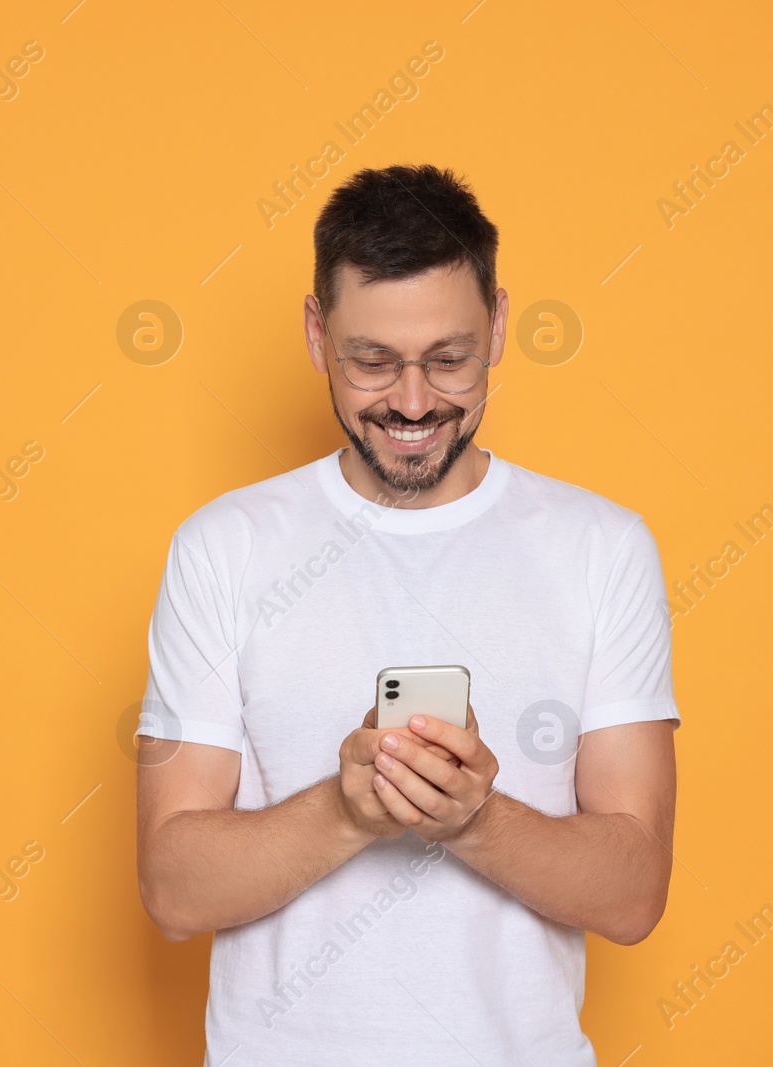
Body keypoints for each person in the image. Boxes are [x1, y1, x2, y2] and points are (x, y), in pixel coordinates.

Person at [135, 163, 680, 1066]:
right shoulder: (223, 548)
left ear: (499, 325)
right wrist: (352, 811)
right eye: (373, 361)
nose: (416, 402)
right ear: (318, 333)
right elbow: (172, 887)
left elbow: (633, 893)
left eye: (450, 358)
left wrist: (471, 818)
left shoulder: (602, 549)